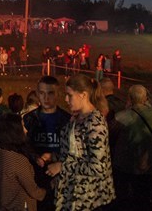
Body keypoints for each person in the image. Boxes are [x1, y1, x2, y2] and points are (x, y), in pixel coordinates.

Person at [46, 75, 114, 211]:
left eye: (69, 95)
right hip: (73, 196)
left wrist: (62, 167)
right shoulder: (77, 118)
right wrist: (53, 157)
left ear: (83, 95)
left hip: (88, 200)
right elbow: (75, 153)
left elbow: (98, 167)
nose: (65, 99)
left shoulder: (95, 124)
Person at [22, 76, 70, 211]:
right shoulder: (29, 119)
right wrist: (34, 155)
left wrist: (54, 156)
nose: (46, 98)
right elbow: (24, 145)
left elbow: (74, 151)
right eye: (42, 93)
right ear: (37, 94)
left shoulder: (67, 120)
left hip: (59, 180)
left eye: (50, 93)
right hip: (35, 178)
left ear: (58, 94)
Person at [112, 85, 152, 211]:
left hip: (124, 163)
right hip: (146, 164)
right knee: (143, 197)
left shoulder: (121, 116)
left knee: (123, 197)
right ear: (145, 98)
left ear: (129, 98)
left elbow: (110, 135)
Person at [0, 113, 46, 211]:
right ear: (14, 131)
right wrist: (48, 191)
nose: (26, 130)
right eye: (22, 126)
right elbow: (33, 191)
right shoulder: (17, 160)